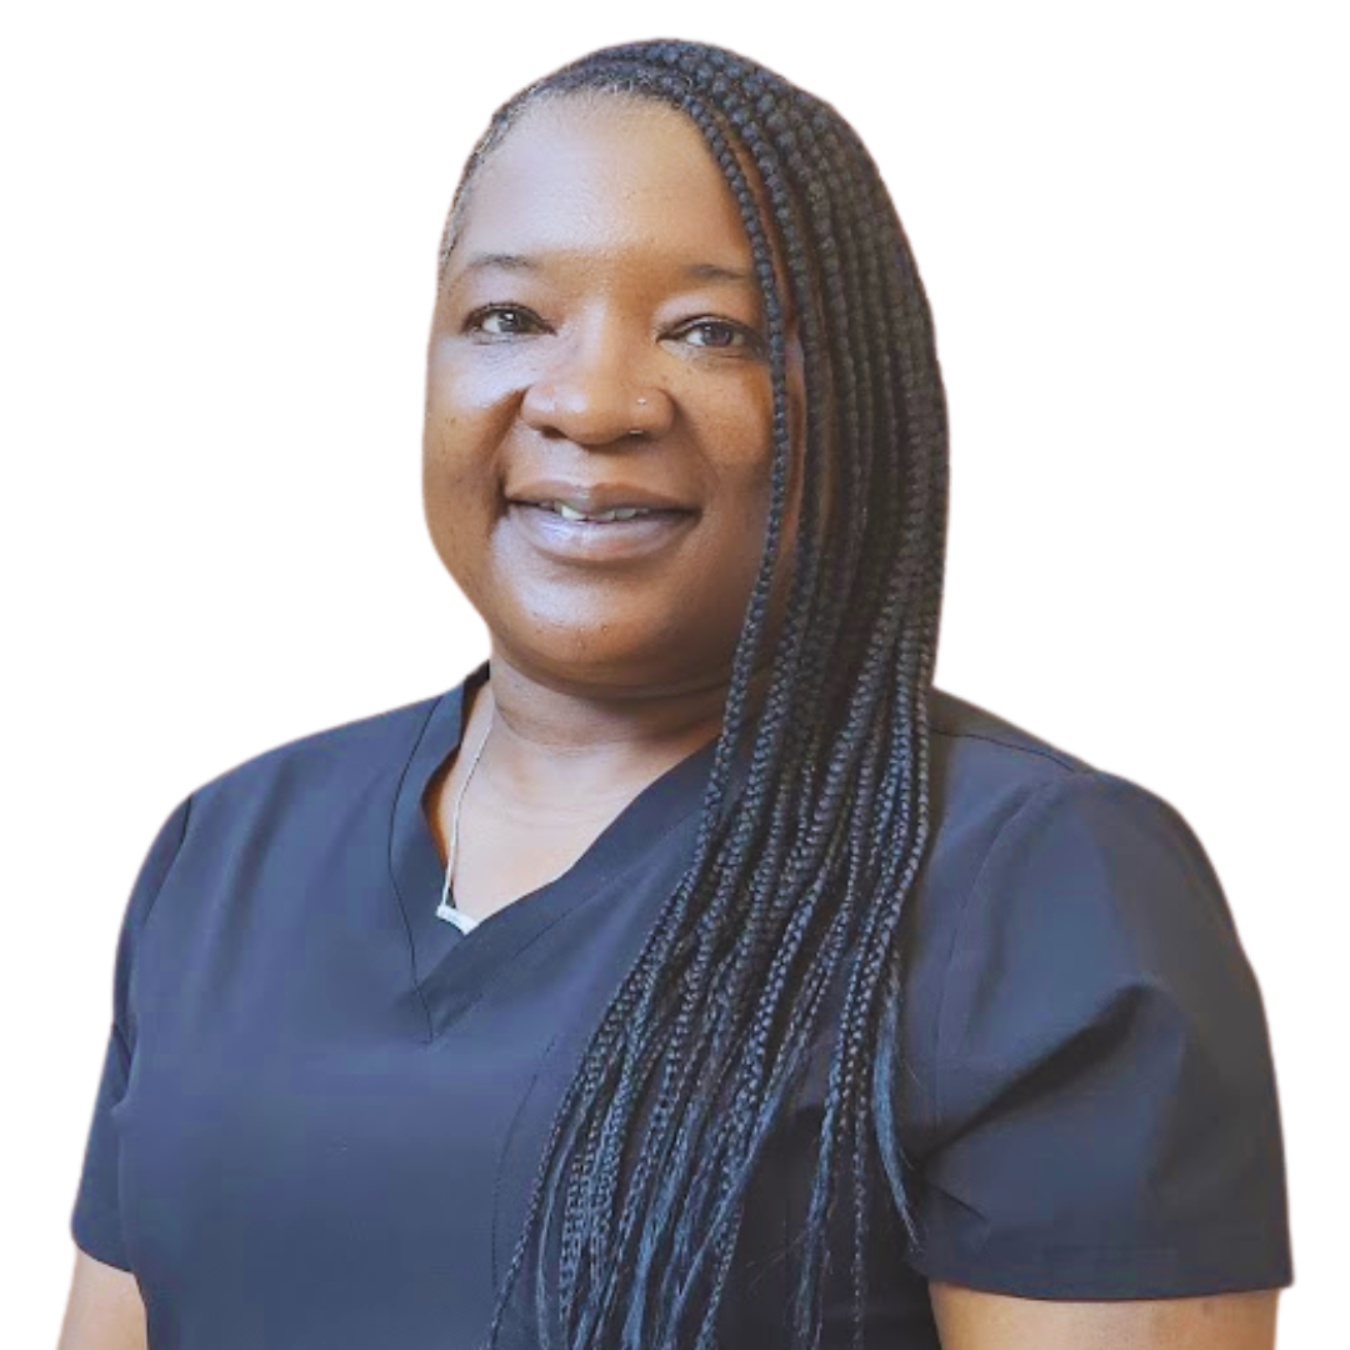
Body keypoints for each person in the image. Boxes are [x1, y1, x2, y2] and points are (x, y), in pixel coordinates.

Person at [58, 38, 1292, 1350]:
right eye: (508, 318)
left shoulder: (1031, 885)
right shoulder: (232, 846)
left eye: (713, 330)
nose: (588, 401)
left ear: (854, 402)